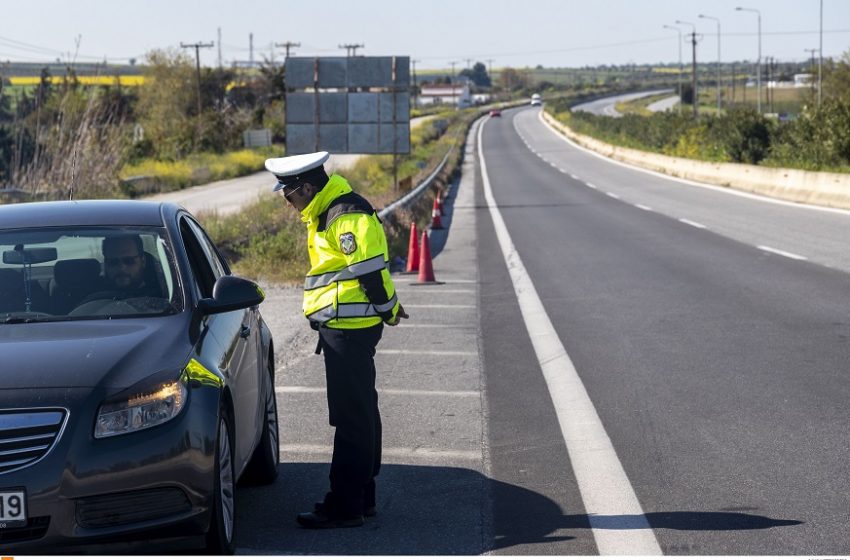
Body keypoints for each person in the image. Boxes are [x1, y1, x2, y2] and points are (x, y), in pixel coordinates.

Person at [265, 151, 408, 529]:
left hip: (350, 328)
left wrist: (390, 310)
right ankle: (363, 497)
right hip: (345, 325)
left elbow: (370, 272)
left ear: (307, 187)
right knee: (360, 412)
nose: (287, 202)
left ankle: (344, 505)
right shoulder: (328, 210)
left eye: (289, 194)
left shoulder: (343, 215)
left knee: (351, 418)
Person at [101, 234, 160, 299]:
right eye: (113, 262)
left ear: (143, 261)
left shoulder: (164, 295)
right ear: (106, 263)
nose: (121, 268)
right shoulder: (93, 297)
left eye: (129, 261)